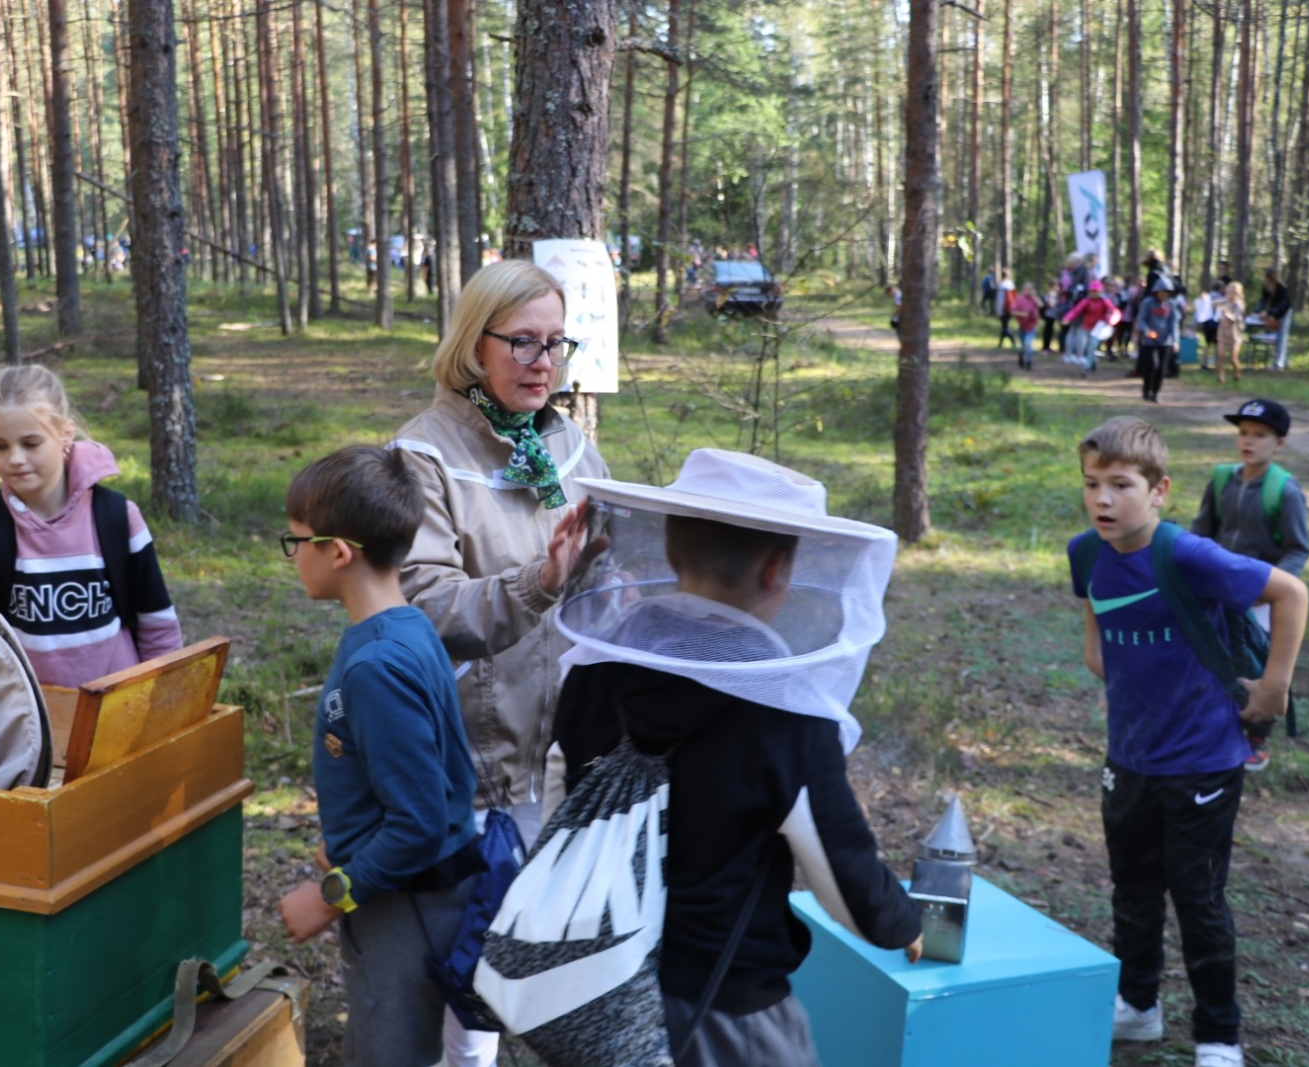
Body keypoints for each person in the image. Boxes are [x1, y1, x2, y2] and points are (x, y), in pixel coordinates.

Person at [551, 449, 924, 1066]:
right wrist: (900, 923)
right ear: (779, 569)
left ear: (670, 555)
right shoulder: (789, 717)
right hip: (722, 1007)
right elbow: (841, 872)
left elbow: (563, 800)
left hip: (593, 983)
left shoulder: (593, 673)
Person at [390, 258, 611, 1067]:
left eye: (557, 343)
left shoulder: (568, 442)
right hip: (480, 763)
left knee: (549, 958)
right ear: (472, 345)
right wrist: (542, 580)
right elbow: (426, 608)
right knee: (476, 981)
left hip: (569, 758)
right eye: (522, 341)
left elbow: (611, 576)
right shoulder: (423, 455)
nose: (542, 361)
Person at [1070, 417, 1308, 1067]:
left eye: (1121, 484)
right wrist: (1111, 663)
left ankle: (1219, 1035)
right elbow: (1096, 634)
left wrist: (1274, 688)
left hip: (1202, 760)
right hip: (1130, 758)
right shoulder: (1085, 552)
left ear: (1160, 490)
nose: (1103, 500)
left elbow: (1290, 590)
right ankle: (1140, 1006)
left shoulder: (1188, 555)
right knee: (1132, 888)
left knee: (1198, 899)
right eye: (1092, 484)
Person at [276, 446, 480, 1067]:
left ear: (338, 553)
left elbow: (417, 824)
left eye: (297, 542)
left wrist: (331, 891)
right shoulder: (406, 627)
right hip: (399, 892)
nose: (293, 555)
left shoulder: (377, 667)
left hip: (404, 907)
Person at [0, 365, 182, 686]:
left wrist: (168, 695)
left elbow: (157, 623)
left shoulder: (118, 517)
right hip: (29, 717)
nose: (14, 459)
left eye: (30, 443)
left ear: (65, 434)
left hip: (118, 706)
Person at [1190, 399, 1309, 772]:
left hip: (1262, 596)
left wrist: (1270, 587)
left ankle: (1256, 736)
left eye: (1260, 435)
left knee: (1256, 663)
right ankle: (1214, 723)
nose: (1249, 442)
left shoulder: (1285, 491)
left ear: (1280, 443)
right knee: (1210, 653)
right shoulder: (1222, 478)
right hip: (1217, 590)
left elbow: (1297, 549)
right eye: (1244, 433)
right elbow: (1203, 529)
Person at [1134, 276, 1182, 403]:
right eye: (1162, 292)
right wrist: (1147, 331)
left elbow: (1173, 323)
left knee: (1161, 369)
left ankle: (1155, 393)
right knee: (1152, 365)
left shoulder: (1171, 305)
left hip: (1165, 342)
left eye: (1166, 293)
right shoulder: (1147, 303)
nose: (1164, 295)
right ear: (1157, 291)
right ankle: (1146, 389)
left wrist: (1175, 340)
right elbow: (1141, 320)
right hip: (1149, 342)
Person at [1061, 280, 1121, 376]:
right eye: (1092, 291)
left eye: (1096, 291)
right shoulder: (1086, 301)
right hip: (1087, 326)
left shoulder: (1104, 301)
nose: (1094, 293)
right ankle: (1093, 362)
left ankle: (1086, 367)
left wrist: (1110, 322)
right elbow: (1076, 310)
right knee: (1085, 346)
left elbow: (1114, 312)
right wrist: (1067, 318)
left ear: (1100, 291)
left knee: (1091, 346)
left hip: (1098, 328)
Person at [1215, 281, 1247, 384]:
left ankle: (1237, 373)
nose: (1227, 295)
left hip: (1234, 333)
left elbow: (1234, 318)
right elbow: (1213, 303)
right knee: (1220, 355)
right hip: (1222, 331)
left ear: (1236, 294)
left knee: (1233, 358)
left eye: (1230, 293)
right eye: (1226, 293)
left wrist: (1227, 313)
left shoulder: (1239, 305)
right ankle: (1221, 377)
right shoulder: (1224, 302)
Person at [1010, 281, 1041, 369]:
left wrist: (1034, 296)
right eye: (1026, 289)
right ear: (1023, 290)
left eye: (1030, 290)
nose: (1028, 291)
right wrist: (1021, 314)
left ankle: (1029, 362)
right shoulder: (1019, 299)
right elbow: (1012, 310)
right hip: (1022, 326)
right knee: (1022, 346)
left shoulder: (1034, 299)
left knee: (1028, 344)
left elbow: (1041, 305)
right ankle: (1021, 357)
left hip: (1031, 326)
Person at [996, 269, 1017, 347]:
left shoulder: (1002, 285)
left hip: (1004, 309)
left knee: (1005, 326)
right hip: (1011, 309)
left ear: (1002, 276)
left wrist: (999, 310)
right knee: (1004, 325)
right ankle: (1000, 343)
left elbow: (1000, 300)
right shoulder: (1011, 284)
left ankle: (1013, 342)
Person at [1042, 279, 1063, 351]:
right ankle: (1045, 347)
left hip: (1054, 316)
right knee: (1047, 331)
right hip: (1049, 315)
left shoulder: (1058, 295)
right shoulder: (1049, 294)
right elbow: (1050, 304)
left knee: (1051, 331)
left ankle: (1048, 346)